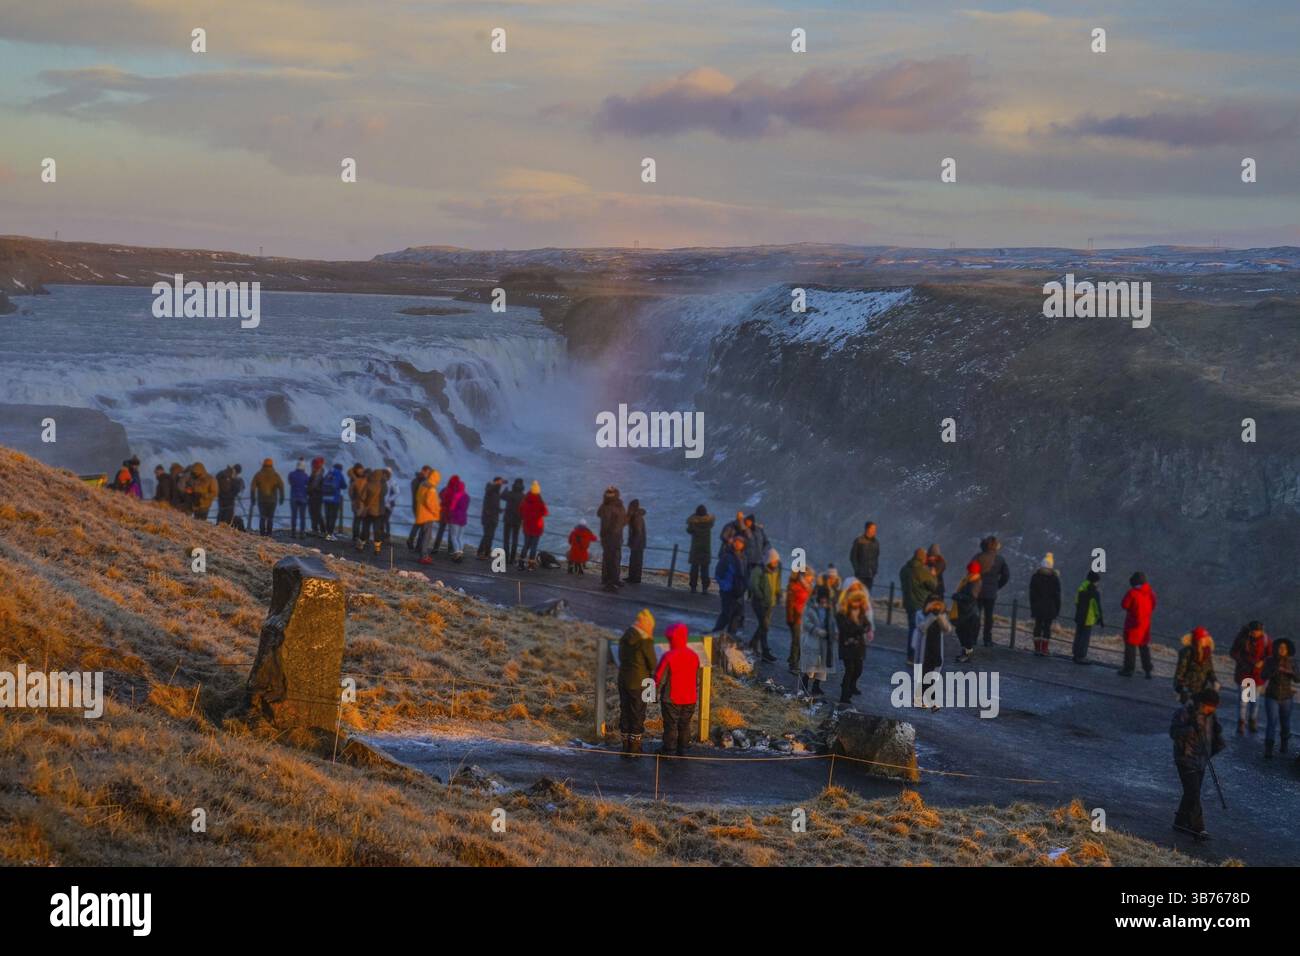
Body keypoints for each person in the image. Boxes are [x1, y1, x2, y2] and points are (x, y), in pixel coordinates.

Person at [1170, 687, 1226, 842]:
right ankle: (1198, 828)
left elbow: (1212, 734)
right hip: (1185, 758)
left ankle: (1180, 821)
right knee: (1193, 792)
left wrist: (1218, 738)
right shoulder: (1185, 712)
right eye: (1211, 706)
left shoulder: (1210, 715)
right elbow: (1173, 732)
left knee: (1190, 792)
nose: (1212, 709)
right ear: (1203, 703)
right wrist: (1189, 729)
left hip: (1202, 759)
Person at [656, 621, 700, 757]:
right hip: (690, 698)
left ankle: (669, 750)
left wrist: (654, 692)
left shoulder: (668, 656)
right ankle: (684, 748)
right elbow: (695, 675)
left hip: (672, 697)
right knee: (685, 724)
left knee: (671, 725)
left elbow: (659, 678)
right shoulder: (694, 655)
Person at [617, 609, 657, 757]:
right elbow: (652, 663)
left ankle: (625, 745)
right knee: (638, 713)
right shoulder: (645, 641)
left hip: (623, 679)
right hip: (640, 681)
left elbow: (620, 657)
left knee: (625, 711)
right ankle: (635, 748)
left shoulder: (625, 637)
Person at [1229, 621, 1272, 735]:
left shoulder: (1266, 639)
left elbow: (1270, 654)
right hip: (1245, 674)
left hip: (1257, 675)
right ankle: (1242, 722)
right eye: (1254, 631)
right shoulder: (1243, 638)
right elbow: (1233, 652)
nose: (1255, 633)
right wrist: (1243, 662)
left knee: (1254, 700)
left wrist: (1262, 662)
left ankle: (1252, 721)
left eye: (1257, 631)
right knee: (1244, 701)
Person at [799, 570, 837, 696]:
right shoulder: (811, 608)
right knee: (811, 665)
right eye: (823, 600)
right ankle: (804, 685)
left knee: (822, 667)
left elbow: (832, 623)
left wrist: (834, 632)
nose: (824, 603)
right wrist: (816, 630)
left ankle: (816, 686)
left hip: (825, 642)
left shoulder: (828, 610)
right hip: (813, 640)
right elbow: (806, 622)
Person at [835, 581, 873, 704]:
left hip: (859, 646)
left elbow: (867, 625)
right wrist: (861, 629)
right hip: (847, 644)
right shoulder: (842, 613)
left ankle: (850, 686)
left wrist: (866, 629)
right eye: (855, 601)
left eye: (859, 601)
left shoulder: (861, 613)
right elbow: (846, 629)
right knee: (849, 669)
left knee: (859, 669)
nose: (857, 604)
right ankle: (844, 696)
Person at [970, 536, 1010, 647]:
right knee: (989, 616)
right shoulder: (999, 559)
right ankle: (987, 639)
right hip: (991, 592)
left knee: (976, 615)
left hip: (977, 591)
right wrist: (997, 585)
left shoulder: (977, 557)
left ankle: (973, 638)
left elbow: (970, 572)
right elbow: (1006, 576)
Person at [900, 547, 938, 661]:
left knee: (912, 629)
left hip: (908, 603)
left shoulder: (905, 569)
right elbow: (934, 586)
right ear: (922, 557)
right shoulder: (922, 571)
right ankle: (914, 656)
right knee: (918, 631)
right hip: (920, 604)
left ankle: (911, 656)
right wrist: (933, 575)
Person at [1118, 571, 1157, 678]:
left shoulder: (1132, 593)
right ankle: (1148, 669)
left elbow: (1124, 605)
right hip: (1145, 624)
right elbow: (1153, 605)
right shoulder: (1151, 593)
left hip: (1133, 624)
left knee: (1130, 647)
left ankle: (1129, 669)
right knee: (1144, 647)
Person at [1261, 638, 1295, 758]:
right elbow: (1263, 675)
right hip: (1272, 696)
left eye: (1284, 648)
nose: (1282, 650)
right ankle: (1268, 749)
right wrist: (1275, 669)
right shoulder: (1270, 660)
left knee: (1285, 723)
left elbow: (1298, 678)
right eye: (1280, 648)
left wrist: (1289, 671)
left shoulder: (1291, 661)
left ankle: (1284, 743)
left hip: (1287, 697)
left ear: (1287, 650)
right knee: (1272, 723)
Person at [748, 549, 781, 664]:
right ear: (769, 560)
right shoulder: (759, 570)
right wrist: (760, 596)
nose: (776, 563)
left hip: (769, 603)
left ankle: (752, 644)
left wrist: (778, 594)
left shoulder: (775, 570)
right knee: (764, 626)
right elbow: (753, 584)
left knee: (763, 626)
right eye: (774, 561)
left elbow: (776, 584)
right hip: (759, 603)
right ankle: (765, 652)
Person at [712, 536, 747, 636]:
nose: (738, 544)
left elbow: (746, 574)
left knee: (736, 615)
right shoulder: (727, 557)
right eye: (736, 542)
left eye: (740, 542)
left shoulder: (744, 558)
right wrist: (725, 586)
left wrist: (745, 586)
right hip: (728, 590)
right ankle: (716, 633)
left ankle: (731, 636)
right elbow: (718, 573)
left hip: (739, 590)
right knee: (727, 613)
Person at [1028, 553, 1061, 657]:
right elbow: (1057, 596)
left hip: (1037, 607)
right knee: (1047, 628)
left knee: (1037, 626)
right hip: (1050, 608)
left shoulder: (1035, 577)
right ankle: (1044, 649)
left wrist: (1033, 607)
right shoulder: (1055, 579)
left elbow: (1032, 594)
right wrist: (1057, 610)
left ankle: (1037, 648)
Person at [1174, 627, 1219, 703]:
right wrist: (1180, 687)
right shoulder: (1187, 653)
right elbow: (1180, 671)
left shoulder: (1207, 653)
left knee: (1199, 710)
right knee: (1188, 711)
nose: (1206, 641)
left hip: (1202, 688)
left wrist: (1214, 681)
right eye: (1203, 639)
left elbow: (1210, 670)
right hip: (1187, 688)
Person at [597, 486, 627, 593]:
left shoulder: (615, 506)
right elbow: (607, 523)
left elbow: (623, 521)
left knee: (614, 559)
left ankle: (613, 580)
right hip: (612, 537)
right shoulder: (610, 506)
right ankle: (609, 582)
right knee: (611, 559)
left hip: (616, 537)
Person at [952, 561, 982, 663]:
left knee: (966, 634)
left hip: (969, 613)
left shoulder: (974, 582)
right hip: (965, 611)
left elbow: (971, 598)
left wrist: (958, 596)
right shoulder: (969, 580)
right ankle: (964, 653)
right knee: (961, 632)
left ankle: (967, 655)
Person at [785, 567, 814, 673]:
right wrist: (790, 619)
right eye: (811, 577)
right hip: (796, 618)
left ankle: (794, 660)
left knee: (802, 642)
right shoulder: (795, 586)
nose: (812, 579)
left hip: (805, 619)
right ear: (805, 577)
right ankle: (793, 664)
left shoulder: (808, 588)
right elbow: (790, 604)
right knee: (797, 641)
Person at [1072, 570, 1104, 664]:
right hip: (1088, 618)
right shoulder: (1094, 592)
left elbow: (1076, 602)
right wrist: (1100, 618)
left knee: (1078, 636)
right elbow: (1097, 607)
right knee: (1084, 638)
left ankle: (1076, 654)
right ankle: (1081, 656)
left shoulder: (1081, 588)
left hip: (1079, 616)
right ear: (1094, 581)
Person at [250, 458, 284, 536]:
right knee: (270, 518)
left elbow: (253, 487)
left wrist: (253, 498)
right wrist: (282, 497)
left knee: (262, 517)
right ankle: (269, 533)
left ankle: (262, 534)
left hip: (261, 500)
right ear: (272, 465)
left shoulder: (258, 474)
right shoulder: (276, 475)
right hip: (272, 500)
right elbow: (281, 486)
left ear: (263, 465)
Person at [414, 468, 442, 564]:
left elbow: (418, 497)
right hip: (428, 515)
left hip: (421, 512)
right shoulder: (432, 488)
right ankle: (424, 556)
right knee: (427, 536)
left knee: (423, 534)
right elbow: (430, 502)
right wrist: (436, 512)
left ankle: (421, 552)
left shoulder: (423, 484)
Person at [356, 467, 386, 555]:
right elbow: (385, 495)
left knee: (365, 528)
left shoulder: (368, 484)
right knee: (377, 530)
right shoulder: (383, 486)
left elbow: (362, 497)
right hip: (379, 512)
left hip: (368, 511)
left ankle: (361, 545)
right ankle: (377, 548)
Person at [518, 480, 547, 570]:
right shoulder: (539, 501)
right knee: (533, 546)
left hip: (527, 526)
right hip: (537, 528)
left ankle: (521, 564)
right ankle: (530, 565)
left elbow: (520, 511)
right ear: (538, 491)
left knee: (526, 545)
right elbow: (545, 512)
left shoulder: (525, 500)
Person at [686, 505, 715, 593]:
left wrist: (693, 517)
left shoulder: (693, 523)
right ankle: (705, 588)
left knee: (694, 569)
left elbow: (689, 530)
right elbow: (712, 520)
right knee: (705, 570)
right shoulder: (709, 523)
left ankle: (693, 587)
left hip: (695, 549)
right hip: (706, 549)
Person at [477, 476, 505, 559]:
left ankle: (485, 552)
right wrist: (496, 483)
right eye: (500, 482)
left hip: (494, 517)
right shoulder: (489, 490)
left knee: (490, 536)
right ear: (495, 482)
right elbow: (490, 490)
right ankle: (481, 552)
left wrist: (500, 510)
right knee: (487, 535)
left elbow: (495, 505)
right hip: (488, 517)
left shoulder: (496, 494)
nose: (501, 484)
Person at [442, 475, 469, 562]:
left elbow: (452, 508)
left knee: (453, 536)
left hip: (455, 518)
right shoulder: (467, 496)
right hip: (463, 518)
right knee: (460, 537)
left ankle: (457, 553)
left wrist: (449, 515)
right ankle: (460, 553)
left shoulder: (456, 495)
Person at [406, 466, 431, 549]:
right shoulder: (422, 482)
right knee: (421, 525)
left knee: (418, 524)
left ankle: (412, 541)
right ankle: (415, 543)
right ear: (424, 471)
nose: (429, 474)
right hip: (420, 506)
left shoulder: (415, 481)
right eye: (428, 472)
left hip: (416, 505)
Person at [500, 478, 524, 565]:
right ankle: (512, 559)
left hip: (507, 519)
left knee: (506, 539)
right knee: (515, 540)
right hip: (517, 520)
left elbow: (501, 496)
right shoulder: (523, 496)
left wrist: (505, 489)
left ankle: (506, 558)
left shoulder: (510, 494)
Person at [849, 521, 880, 587]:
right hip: (860, 574)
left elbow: (876, 557)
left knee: (867, 593)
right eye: (873, 529)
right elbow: (852, 557)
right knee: (860, 594)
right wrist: (857, 569)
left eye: (875, 529)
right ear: (867, 529)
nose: (875, 531)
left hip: (871, 574)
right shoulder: (859, 541)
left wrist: (875, 569)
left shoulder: (876, 543)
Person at [625, 499, 647, 584]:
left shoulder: (637, 517)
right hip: (638, 542)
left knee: (636, 561)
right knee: (634, 560)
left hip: (637, 543)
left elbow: (638, 531)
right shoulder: (635, 516)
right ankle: (632, 577)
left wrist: (634, 543)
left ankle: (635, 578)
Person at [288, 459, 310, 539]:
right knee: (302, 517)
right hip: (303, 498)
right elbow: (308, 484)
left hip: (294, 497)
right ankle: (302, 533)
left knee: (294, 516)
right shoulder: (306, 476)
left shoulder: (291, 474)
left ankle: (293, 533)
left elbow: (290, 482)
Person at [322, 463, 345, 538]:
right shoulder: (339, 473)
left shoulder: (328, 473)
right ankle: (330, 534)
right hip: (334, 499)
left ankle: (327, 533)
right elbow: (344, 485)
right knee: (333, 516)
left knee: (328, 516)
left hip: (326, 498)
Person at [346, 463, 367, 542]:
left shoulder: (354, 478)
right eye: (360, 469)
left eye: (362, 469)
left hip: (359, 501)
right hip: (358, 502)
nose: (361, 471)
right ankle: (357, 537)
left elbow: (350, 491)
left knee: (358, 519)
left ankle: (357, 536)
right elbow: (351, 491)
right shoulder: (355, 479)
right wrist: (354, 499)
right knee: (358, 519)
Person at [306, 457, 326, 536]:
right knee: (313, 512)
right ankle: (316, 529)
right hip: (314, 496)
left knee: (316, 513)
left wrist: (309, 490)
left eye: (313, 465)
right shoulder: (315, 474)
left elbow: (315, 486)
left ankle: (321, 530)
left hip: (316, 496)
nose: (312, 466)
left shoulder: (318, 474)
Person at [382, 468, 398, 546]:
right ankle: (382, 536)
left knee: (386, 520)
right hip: (381, 504)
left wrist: (388, 500)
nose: (384, 475)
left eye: (386, 474)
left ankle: (387, 536)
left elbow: (397, 493)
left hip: (388, 505)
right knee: (381, 520)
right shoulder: (381, 481)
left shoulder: (393, 482)